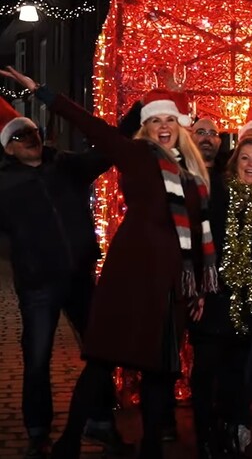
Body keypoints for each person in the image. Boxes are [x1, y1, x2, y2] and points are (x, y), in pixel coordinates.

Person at [2, 67, 218, 459]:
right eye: (155, 121)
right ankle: (67, 441)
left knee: (160, 372)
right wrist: (46, 94)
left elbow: (199, 233)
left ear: (180, 126)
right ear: (145, 126)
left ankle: (151, 446)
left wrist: (199, 282)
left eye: (170, 120)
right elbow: (96, 129)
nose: (164, 127)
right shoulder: (135, 155)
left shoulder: (193, 175)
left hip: (171, 284)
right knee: (101, 361)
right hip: (131, 278)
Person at [0, 91, 136, 458]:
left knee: (100, 349)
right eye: (18, 136)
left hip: (78, 275)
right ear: (7, 149)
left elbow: (106, 149)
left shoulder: (65, 165)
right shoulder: (4, 185)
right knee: (38, 357)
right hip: (38, 285)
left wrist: (139, 112)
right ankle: (37, 431)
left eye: (31, 132)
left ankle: (100, 421)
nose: (29, 139)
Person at [191, 137, 252, 458]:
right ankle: (205, 437)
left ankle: (229, 432)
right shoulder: (217, 194)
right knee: (205, 372)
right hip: (213, 298)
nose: (251, 165)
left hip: (249, 306)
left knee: (235, 375)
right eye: (245, 158)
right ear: (235, 163)